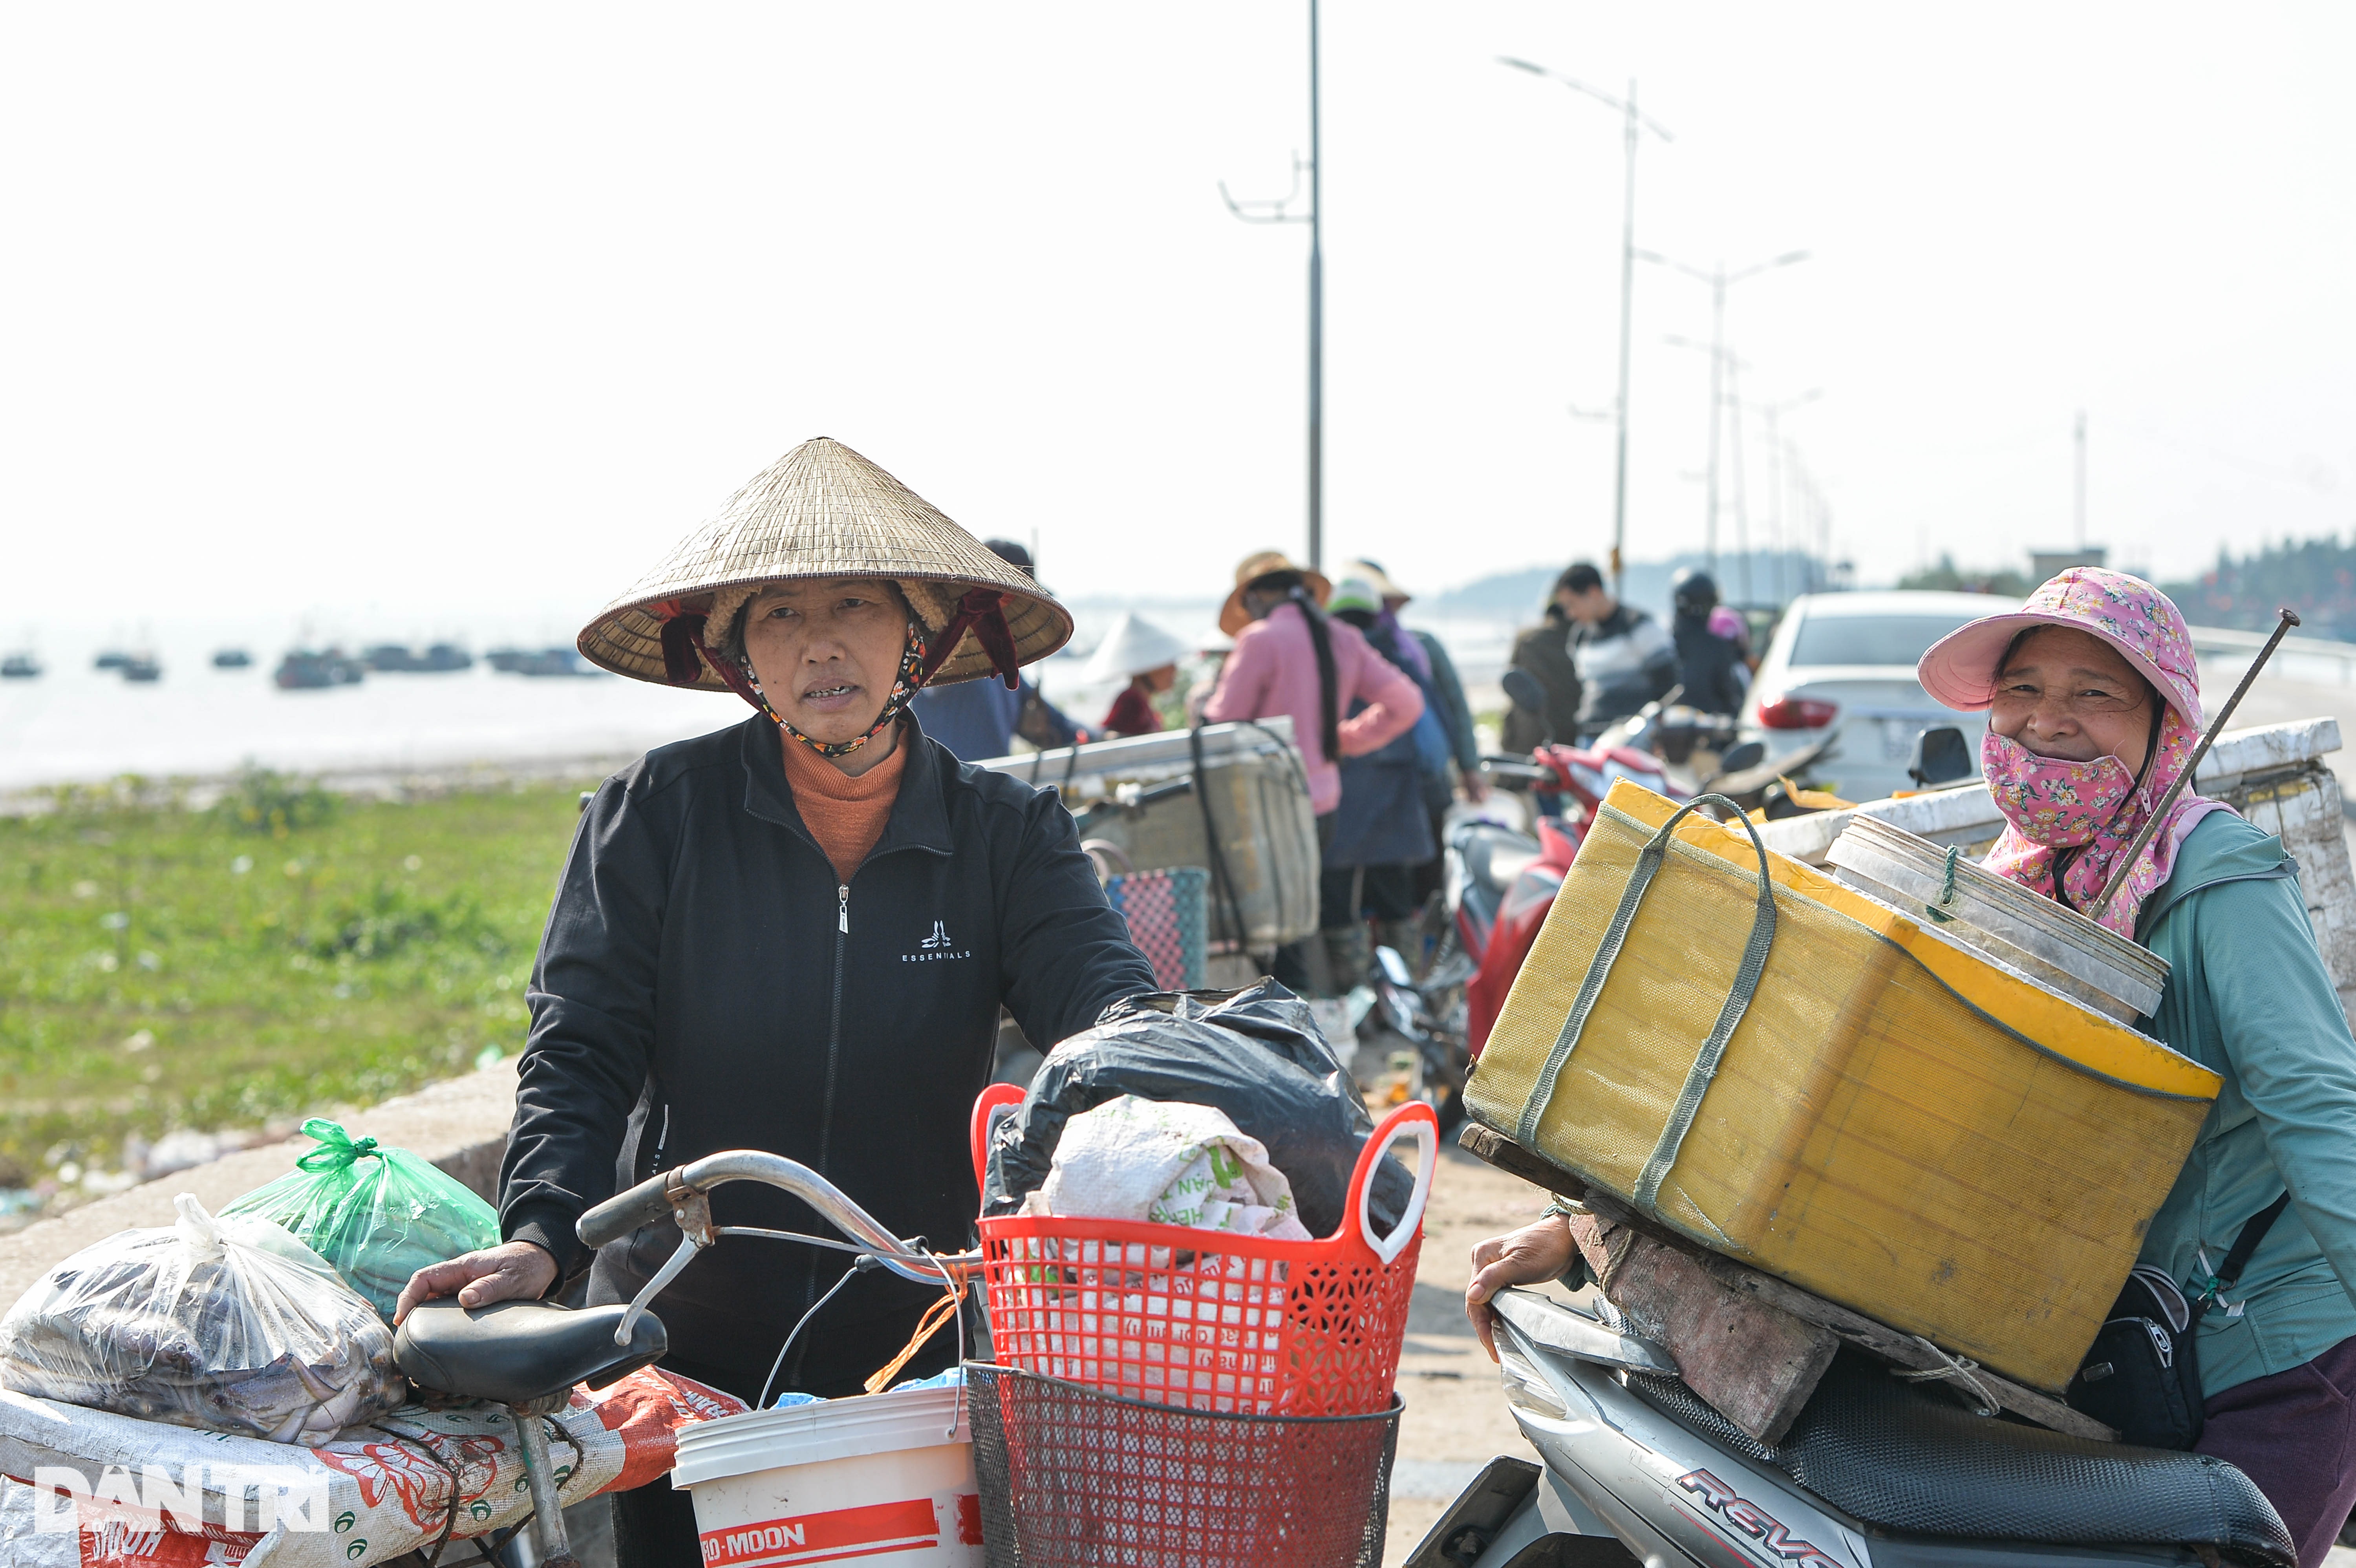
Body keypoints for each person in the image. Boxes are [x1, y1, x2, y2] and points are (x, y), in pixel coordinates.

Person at [1466, 567, 2356, 1568]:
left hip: (2272, 1351)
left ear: (2167, 721)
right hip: (2103, 1345)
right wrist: (1586, 1225)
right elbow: (1854, 1112)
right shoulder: (2001, 881)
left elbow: (2317, 1101)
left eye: (2094, 692)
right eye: (2023, 690)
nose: (2049, 720)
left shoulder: (2218, 877)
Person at [393, 437, 1158, 1567]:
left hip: (921, 1334)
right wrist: (541, 1230)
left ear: (922, 637)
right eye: (781, 615)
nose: (822, 641)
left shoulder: (1011, 836)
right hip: (683, 1332)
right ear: (742, 655)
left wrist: (1177, 1091)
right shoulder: (656, 814)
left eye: (856, 603)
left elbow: (1104, 1013)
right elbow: (581, 1045)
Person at [1198, 550, 1424, 992]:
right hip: (1323, 801)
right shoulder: (1342, 637)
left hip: (1266, 805)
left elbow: (1221, 726)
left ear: (1260, 596)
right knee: (1303, 915)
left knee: (1278, 927)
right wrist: (1342, 740)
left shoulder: (1261, 641)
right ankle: (1328, 1012)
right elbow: (1406, 703)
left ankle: (1291, 1016)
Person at [1321, 576, 1441, 975]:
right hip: (1395, 796)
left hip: (1340, 793)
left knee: (1338, 900)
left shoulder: (1327, 658)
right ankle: (1405, 991)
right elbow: (1428, 727)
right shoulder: (1400, 657)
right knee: (1395, 899)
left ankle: (1350, 995)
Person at [908, 538, 1090, 760]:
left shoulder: (1003, 670)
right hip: (942, 788)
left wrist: (1095, 737)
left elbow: (1059, 725)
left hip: (989, 788)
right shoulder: (949, 652)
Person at [1559, 560, 1675, 739]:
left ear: (1594, 593)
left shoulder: (1639, 626)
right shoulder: (1580, 637)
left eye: (1572, 604)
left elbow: (1670, 685)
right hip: (1590, 738)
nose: (1570, 614)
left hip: (1635, 741)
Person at [1502, 569, 1586, 753]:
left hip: (1530, 746)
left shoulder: (1527, 640)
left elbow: (1513, 686)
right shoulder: (1589, 639)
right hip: (1578, 743)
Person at [1081, 611, 1190, 737]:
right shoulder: (1131, 700)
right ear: (1146, 670)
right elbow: (1108, 737)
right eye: (1167, 664)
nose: (1174, 671)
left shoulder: (1142, 701)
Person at [1668, 567, 1750, 717]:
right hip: (1707, 734)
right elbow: (1729, 697)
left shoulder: (1664, 642)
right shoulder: (1717, 647)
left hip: (1662, 733)